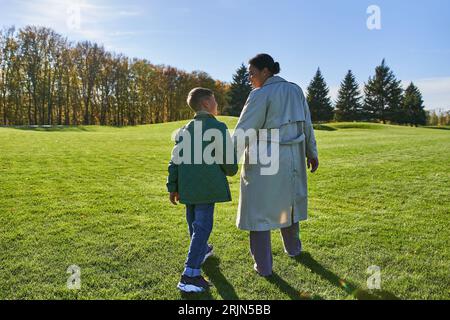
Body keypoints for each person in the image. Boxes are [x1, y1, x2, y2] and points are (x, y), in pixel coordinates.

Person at [234, 54, 319, 277]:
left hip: (265, 160)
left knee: (258, 212)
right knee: (288, 205)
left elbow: (244, 130)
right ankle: (294, 249)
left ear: (266, 71)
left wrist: (227, 161)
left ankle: (263, 266)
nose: (249, 78)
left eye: (252, 73)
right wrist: (312, 152)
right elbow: (307, 125)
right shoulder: (296, 90)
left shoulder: (260, 95)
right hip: (293, 158)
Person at [167, 87, 238, 293]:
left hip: (188, 188)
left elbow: (174, 161)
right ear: (206, 104)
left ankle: (203, 251)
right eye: (214, 101)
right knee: (202, 227)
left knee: (194, 224)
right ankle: (190, 275)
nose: (217, 105)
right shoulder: (217, 127)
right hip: (206, 188)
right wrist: (231, 170)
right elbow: (228, 162)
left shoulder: (183, 130)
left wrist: (173, 187)